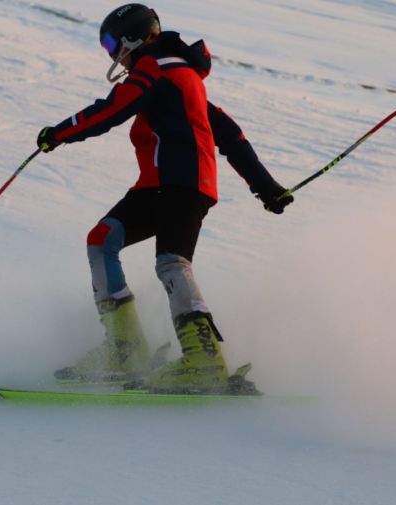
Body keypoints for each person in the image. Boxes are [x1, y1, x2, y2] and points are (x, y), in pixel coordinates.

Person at [39, 3, 293, 393]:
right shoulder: (179, 73)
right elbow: (230, 133)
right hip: (156, 186)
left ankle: (203, 361)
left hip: (182, 183)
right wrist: (267, 188)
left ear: (133, 38)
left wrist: (58, 133)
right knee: (101, 240)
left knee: (171, 263)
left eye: (111, 42)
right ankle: (126, 352)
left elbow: (112, 109)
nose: (110, 52)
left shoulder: (156, 67)